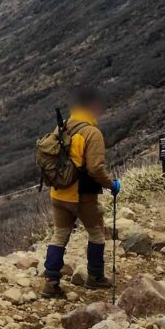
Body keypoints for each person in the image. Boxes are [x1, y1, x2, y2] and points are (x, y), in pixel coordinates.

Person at [43, 85, 121, 298]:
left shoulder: (63, 126)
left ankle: (51, 282)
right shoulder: (91, 132)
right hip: (81, 196)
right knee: (96, 234)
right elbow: (95, 168)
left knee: (59, 236)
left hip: (58, 193)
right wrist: (111, 185)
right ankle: (95, 277)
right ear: (93, 106)